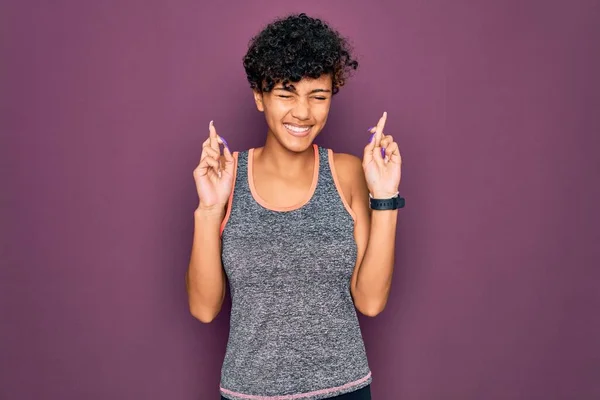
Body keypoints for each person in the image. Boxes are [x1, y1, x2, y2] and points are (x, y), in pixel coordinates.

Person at [186, 13, 404, 400]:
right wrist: (208, 210)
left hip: (344, 391)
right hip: (249, 394)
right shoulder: (226, 176)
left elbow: (370, 302)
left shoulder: (348, 173)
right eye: (286, 94)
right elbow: (204, 309)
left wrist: (385, 197)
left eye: (318, 96)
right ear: (259, 96)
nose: (302, 112)